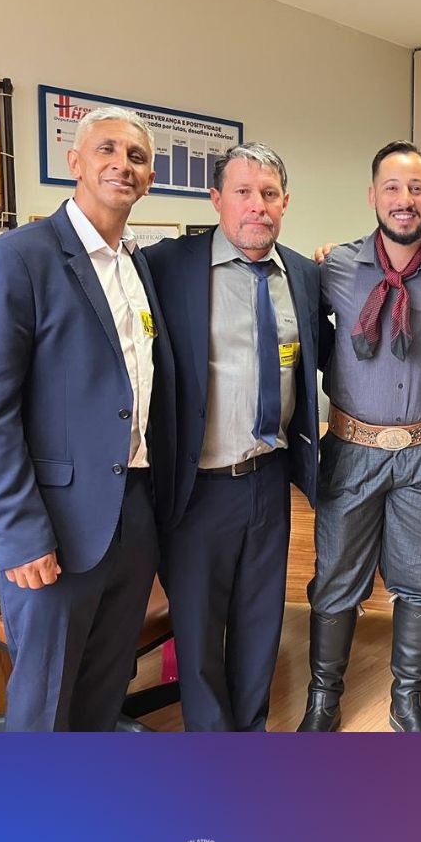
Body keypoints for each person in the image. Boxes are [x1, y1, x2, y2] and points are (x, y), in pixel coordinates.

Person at [0, 106, 175, 731]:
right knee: (45, 707)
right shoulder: (19, 257)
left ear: (150, 178)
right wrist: (20, 533)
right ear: (74, 162)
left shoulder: (136, 265)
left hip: (132, 514)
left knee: (104, 692)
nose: (121, 165)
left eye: (136, 157)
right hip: (50, 524)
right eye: (106, 150)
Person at [144, 142, 322, 731]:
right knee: (198, 633)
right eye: (243, 192)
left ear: (285, 202)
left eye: (269, 194)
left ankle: (251, 739)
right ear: (216, 199)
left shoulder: (303, 275)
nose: (257, 206)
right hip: (197, 486)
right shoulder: (166, 267)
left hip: (269, 479)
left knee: (260, 623)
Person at [299, 141, 421, 733]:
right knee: (336, 579)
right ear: (373, 196)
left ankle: (407, 699)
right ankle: (323, 701)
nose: (405, 200)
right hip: (351, 450)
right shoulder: (335, 269)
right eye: (392, 188)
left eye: (416, 188)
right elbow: (297, 328)